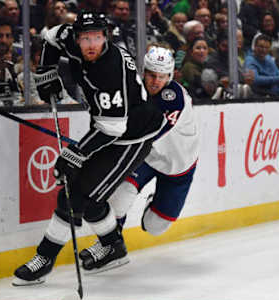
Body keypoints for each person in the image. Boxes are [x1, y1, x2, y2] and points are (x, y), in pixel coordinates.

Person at [12, 11, 165, 285]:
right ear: (77, 37)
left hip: (132, 137)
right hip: (108, 129)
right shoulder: (68, 38)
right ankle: (112, 246)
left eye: (97, 37)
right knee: (85, 196)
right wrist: (46, 71)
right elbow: (49, 37)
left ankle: (45, 258)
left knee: (75, 197)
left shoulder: (110, 68)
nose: (91, 44)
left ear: (106, 37)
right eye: (85, 38)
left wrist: (75, 154)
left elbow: (113, 128)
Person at [79, 46, 199, 265]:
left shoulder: (174, 98)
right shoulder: (133, 92)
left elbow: (147, 131)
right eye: (152, 74)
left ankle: (154, 202)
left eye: (162, 77)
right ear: (144, 72)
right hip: (144, 158)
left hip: (178, 166)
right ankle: (110, 246)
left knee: (155, 227)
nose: (155, 81)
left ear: (170, 76)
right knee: (120, 197)